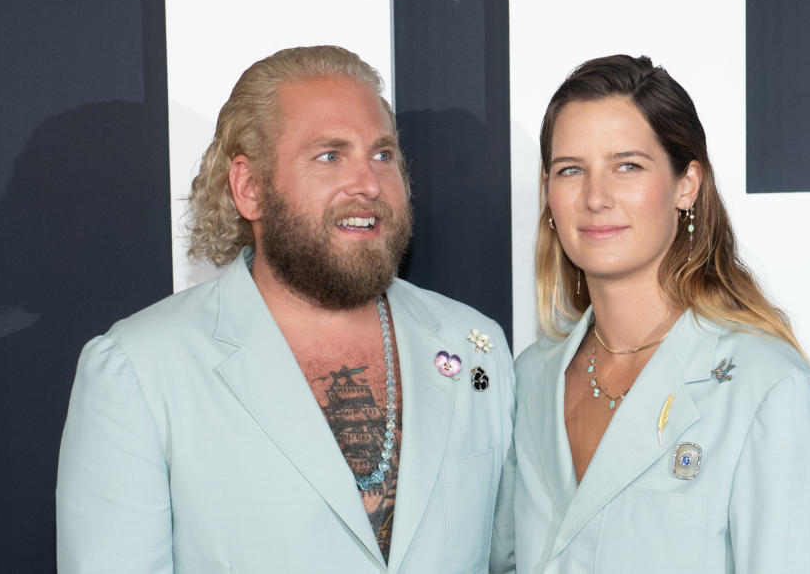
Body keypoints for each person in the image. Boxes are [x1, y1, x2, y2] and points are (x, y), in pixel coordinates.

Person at [57, 46, 515, 574]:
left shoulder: (473, 345)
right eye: (330, 156)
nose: (368, 184)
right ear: (249, 188)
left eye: (383, 155)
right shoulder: (139, 370)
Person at [513, 55, 810, 573]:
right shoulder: (529, 380)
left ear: (686, 184)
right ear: (548, 192)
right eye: (570, 170)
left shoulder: (773, 394)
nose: (595, 197)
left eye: (627, 165)